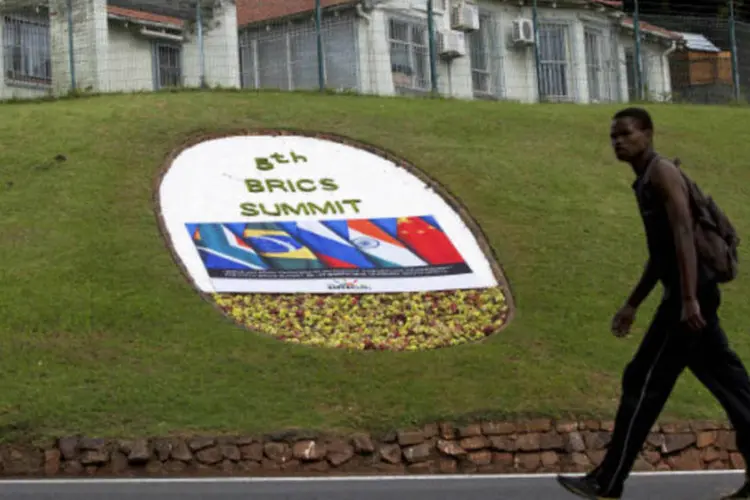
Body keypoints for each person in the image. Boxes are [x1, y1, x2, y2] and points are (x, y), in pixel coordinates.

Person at [556, 107, 750, 500]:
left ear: (648, 133)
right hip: (689, 295)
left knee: (642, 382)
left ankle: (607, 481)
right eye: (613, 136)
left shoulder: (661, 173)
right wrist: (633, 303)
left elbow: (682, 232)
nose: (617, 141)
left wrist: (690, 298)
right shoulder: (646, 179)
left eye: (625, 134)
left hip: (687, 299)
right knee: (734, 388)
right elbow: (661, 253)